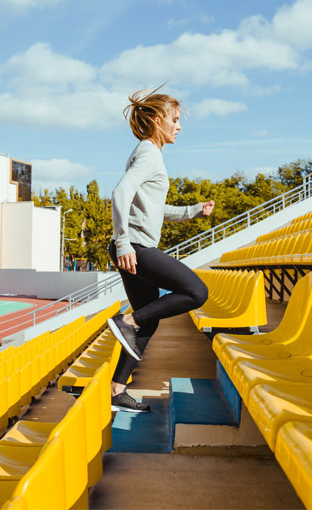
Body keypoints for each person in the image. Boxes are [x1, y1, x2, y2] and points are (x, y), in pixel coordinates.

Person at [106, 87, 214, 413]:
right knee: (196, 291)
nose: (179, 126)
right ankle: (127, 320)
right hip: (135, 247)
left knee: (148, 323)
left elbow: (153, 207)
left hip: (132, 246)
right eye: (175, 120)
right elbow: (120, 193)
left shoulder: (147, 152)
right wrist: (124, 241)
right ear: (156, 120)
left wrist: (193, 210)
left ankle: (117, 391)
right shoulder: (150, 154)